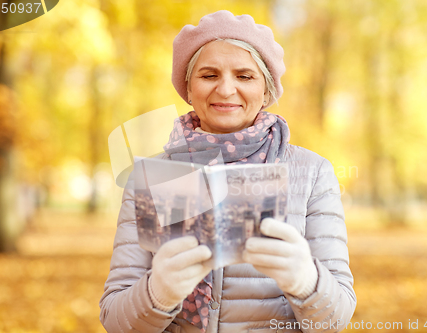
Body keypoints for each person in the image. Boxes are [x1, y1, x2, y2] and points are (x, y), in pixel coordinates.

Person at [99, 10, 356, 333]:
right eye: (209, 75)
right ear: (188, 89)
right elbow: (115, 320)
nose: (225, 90)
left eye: (244, 76)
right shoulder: (151, 178)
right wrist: (157, 293)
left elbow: (337, 319)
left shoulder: (312, 172)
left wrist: (307, 281)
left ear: (267, 91)